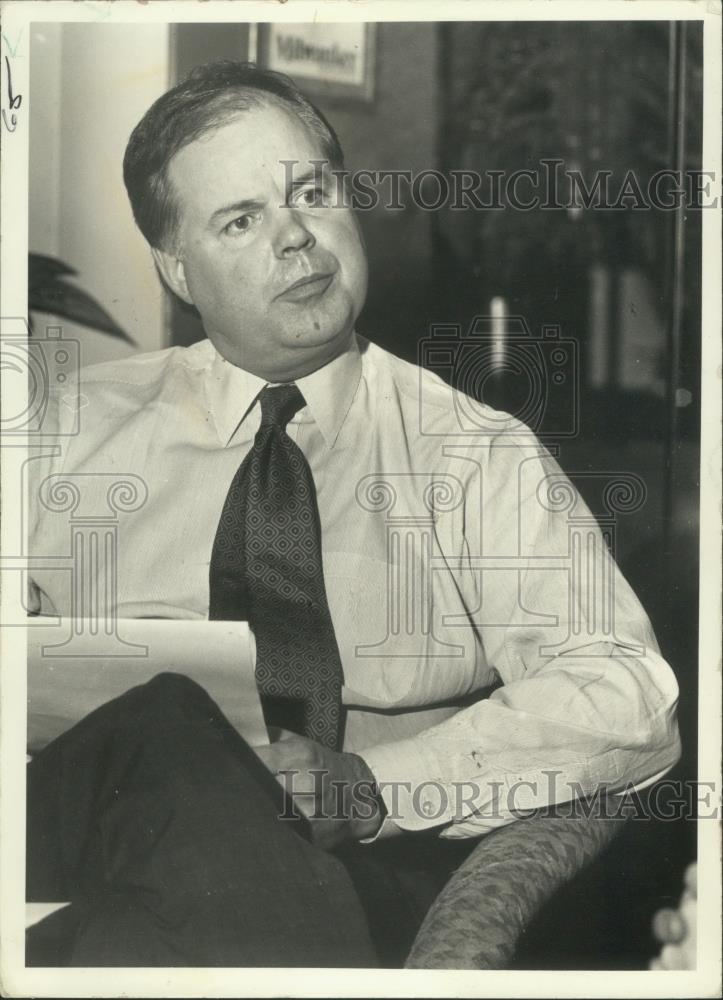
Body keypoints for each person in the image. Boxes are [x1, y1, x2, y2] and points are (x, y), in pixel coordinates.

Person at [26, 61, 681, 967]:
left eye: (311, 192)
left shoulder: (474, 453)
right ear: (176, 269)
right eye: (241, 219)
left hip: (343, 886)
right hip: (73, 849)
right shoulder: (62, 430)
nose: (296, 238)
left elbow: (626, 696)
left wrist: (374, 786)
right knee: (168, 726)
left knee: (127, 919)